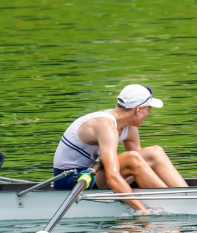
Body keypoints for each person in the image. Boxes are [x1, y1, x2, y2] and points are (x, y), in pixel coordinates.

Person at [51, 84, 187, 211]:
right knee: (132, 158)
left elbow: (143, 166)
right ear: (138, 110)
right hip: (72, 180)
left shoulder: (130, 126)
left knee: (155, 152)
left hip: (95, 173)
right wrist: (143, 211)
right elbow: (113, 177)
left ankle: (185, 197)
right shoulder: (105, 126)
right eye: (148, 110)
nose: (148, 115)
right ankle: (174, 205)